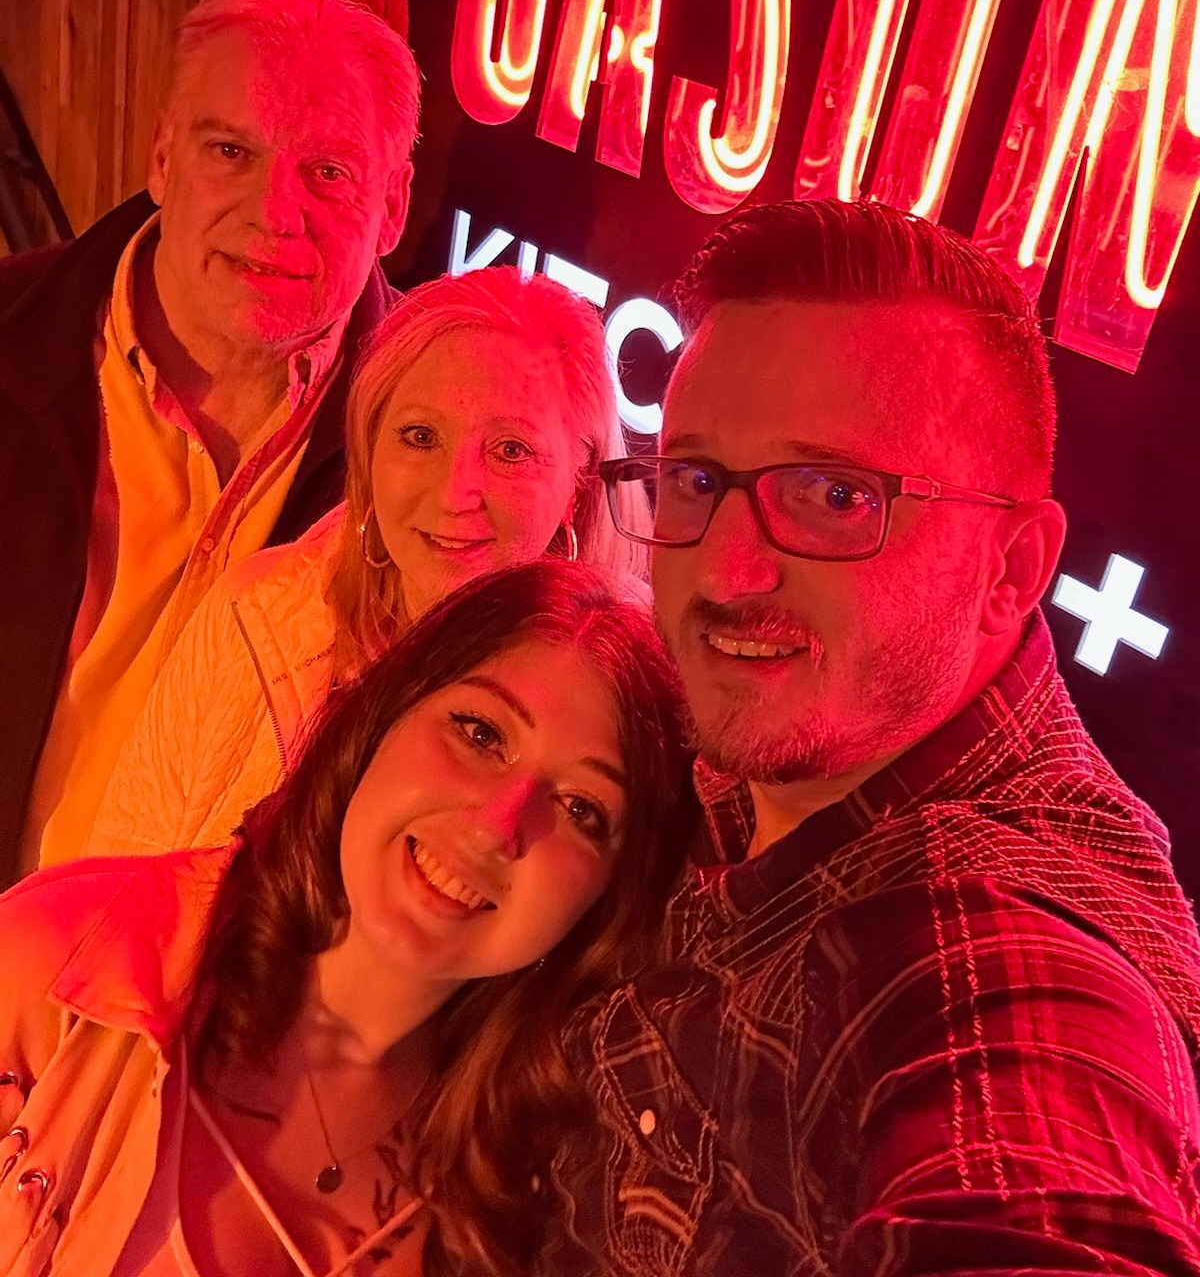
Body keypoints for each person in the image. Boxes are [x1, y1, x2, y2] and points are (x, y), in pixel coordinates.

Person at [546, 199, 1200, 1275]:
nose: (724, 573)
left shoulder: (994, 947)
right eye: (697, 480)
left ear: (1011, 570)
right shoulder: (769, 736)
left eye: (836, 495)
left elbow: (1030, 1156)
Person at [0, 560, 695, 1277]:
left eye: (581, 808)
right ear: (383, 716)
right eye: (481, 733)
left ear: (608, 897)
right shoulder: (62, 964)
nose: (497, 825)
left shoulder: (532, 1202)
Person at [0, 0, 420, 884]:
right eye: (231, 151)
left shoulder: (427, 463)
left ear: (393, 206)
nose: (275, 212)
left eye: (330, 172)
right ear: (162, 157)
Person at [85, 264, 645, 860]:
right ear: (370, 448)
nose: (454, 494)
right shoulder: (251, 612)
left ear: (579, 484)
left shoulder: (624, 714)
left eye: (511, 450)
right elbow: (113, 884)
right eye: (420, 437)